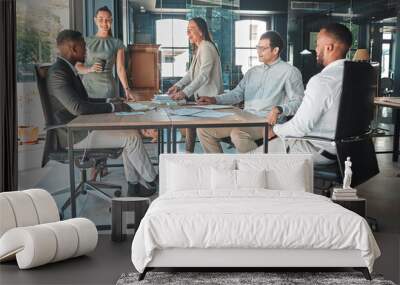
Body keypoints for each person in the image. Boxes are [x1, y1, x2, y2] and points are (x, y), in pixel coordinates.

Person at [47, 29, 157, 197]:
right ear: (74, 48)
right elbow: (79, 108)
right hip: (73, 135)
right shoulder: (58, 73)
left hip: (82, 128)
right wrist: (113, 108)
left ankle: (133, 183)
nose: (87, 51)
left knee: (132, 132)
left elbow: (85, 101)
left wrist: (111, 102)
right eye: (84, 47)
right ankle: (153, 182)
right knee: (132, 139)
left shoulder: (66, 69)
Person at [196, 31, 304, 153]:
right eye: (258, 47)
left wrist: (279, 109)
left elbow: (298, 102)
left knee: (237, 133)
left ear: (275, 50)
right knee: (204, 129)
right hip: (244, 118)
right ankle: (222, 167)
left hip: (266, 122)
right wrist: (214, 99)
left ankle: (255, 168)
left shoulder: (290, 72)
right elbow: (237, 94)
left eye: (263, 48)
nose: (258, 51)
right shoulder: (252, 72)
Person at [263, 23, 353, 165]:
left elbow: (300, 127)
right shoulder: (357, 74)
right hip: (346, 151)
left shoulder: (322, 81)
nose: (315, 49)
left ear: (329, 47)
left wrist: (275, 130)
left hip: (317, 149)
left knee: (249, 160)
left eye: (317, 44)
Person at [167, 17, 223, 153]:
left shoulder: (206, 47)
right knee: (190, 122)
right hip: (202, 99)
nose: (188, 34)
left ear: (201, 31)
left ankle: (192, 154)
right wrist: (178, 85)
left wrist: (185, 92)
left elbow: (203, 75)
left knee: (197, 127)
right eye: (187, 30)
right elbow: (191, 74)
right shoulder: (199, 48)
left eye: (191, 30)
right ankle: (188, 153)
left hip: (210, 100)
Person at [75, 6, 135, 101]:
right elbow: (78, 67)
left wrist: (127, 89)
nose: (104, 23)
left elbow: (120, 69)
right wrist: (90, 69)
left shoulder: (117, 43)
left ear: (111, 21)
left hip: (107, 89)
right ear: (95, 20)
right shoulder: (85, 41)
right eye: (101, 19)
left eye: (107, 20)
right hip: (87, 89)